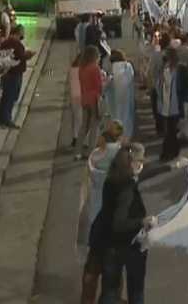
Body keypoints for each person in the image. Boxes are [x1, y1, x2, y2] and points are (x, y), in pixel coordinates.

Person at [90, 143, 158, 304]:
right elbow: (119, 223)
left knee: (109, 291)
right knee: (136, 290)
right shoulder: (127, 188)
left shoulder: (112, 179)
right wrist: (142, 221)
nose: (142, 165)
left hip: (109, 244)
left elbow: (145, 174)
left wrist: (172, 166)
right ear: (131, 163)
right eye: (140, 161)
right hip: (130, 245)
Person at [77, 121, 125, 304]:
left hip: (96, 221)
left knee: (92, 265)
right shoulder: (120, 159)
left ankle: (86, 300)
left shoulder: (94, 158)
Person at [153, 47, 188, 162]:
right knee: (171, 129)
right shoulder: (164, 69)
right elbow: (159, 84)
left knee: (170, 129)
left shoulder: (181, 69)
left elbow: (186, 85)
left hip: (176, 104)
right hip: (165, 103)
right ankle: (174, 151)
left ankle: (167, 152)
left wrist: (186, 97)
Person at [0, 24, 34, 129]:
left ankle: (2, 119)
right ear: (19, 32)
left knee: (7, 97)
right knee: (10, 97)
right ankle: (6, 119)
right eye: (23, 31)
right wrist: (29, 55)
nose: (24, 33)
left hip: (9, 73)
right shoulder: (14, 42)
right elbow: (19, 56)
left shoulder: (9, 41)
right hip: (13, 74)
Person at [77, 46, 104, 160]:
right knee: (94, 126)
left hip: (84, 98)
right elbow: (99, 87)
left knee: (84, 126)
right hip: (94, 100)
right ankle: (90, 152)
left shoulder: (81, 68)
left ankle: (77, 151)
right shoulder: (95, 68)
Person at [106, 50, 137, 141]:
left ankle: (117, 137)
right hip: (127, 97)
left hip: (114, 99)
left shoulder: (111, 68)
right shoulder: (128, 66)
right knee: (127, 116)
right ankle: (126, 137)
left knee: (116, 116)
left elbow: (108, 84)